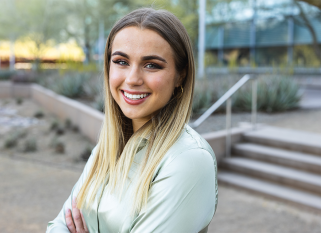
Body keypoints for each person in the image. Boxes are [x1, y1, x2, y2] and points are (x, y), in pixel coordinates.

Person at [47, 8, 217, 233]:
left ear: (180, 75)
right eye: (121, 61)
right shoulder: (107, 147)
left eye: (151, 65)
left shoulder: (189, 160)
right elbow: (60, 224)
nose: (132, 79)